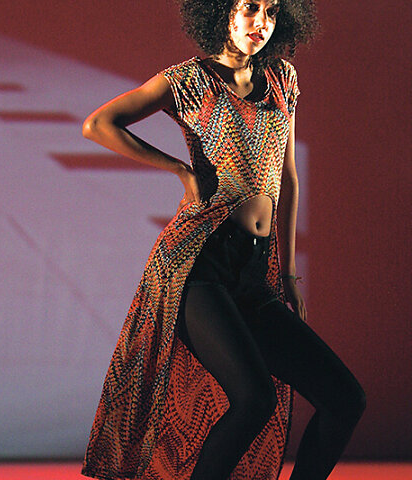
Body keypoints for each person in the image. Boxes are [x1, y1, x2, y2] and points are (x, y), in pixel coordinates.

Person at [81, 1, 366, 479]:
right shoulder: (189, 81)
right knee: (254, 400)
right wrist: (179, 169)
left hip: (253, 273)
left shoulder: (282, 79)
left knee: (345, 399)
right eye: (250, 7)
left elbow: (288, 178)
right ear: (222, 12)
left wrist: (287, 273)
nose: (262, 22)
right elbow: (98, 125)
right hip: (199, 266)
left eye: (272, 11)